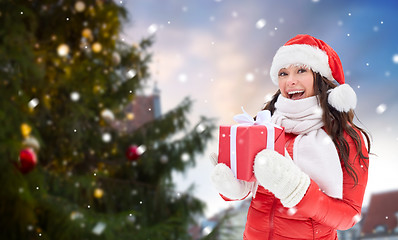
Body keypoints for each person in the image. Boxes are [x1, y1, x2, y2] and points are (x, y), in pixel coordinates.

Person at [210, 34, 371, 240]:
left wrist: (297, 190)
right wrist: (235, 187)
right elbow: (256, 191)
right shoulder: (266, 125)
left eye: (301, 70)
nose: (290, 80)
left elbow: (349, 215)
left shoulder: (344, 136)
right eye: (283, 73)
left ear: (321, 78)